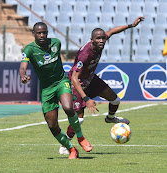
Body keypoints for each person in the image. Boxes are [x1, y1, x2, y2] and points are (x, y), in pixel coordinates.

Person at [59, 16, 145, 154]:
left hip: (90, 79)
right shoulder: (85, 54)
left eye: (102, 38)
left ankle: (110, 118)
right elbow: (74, 78)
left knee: (115, 99)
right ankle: (64, 145)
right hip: (77, 84)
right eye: (98, 38)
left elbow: (112, 31)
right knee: (79, 119)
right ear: (92, 40)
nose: (101, 40)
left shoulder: (102, 40)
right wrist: (86, 99)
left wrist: (131, 25)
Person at [19, 22, 92, 159]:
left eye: (44, 32)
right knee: (52, 125)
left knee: (68, 107)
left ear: (47, 33)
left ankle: (81, 138)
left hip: (61, 82)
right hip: (47, 89)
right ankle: (71, 149)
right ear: (34, 34)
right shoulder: (29, 49)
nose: (42, 35)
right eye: (39, 33)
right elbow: (23, 66)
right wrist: (23, 76)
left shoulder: (56, 43)